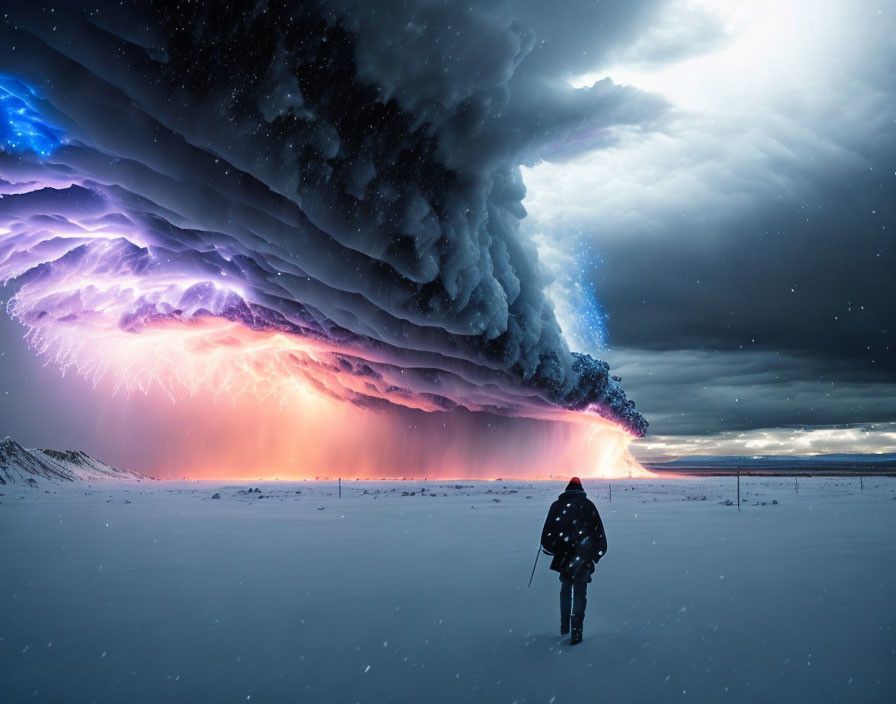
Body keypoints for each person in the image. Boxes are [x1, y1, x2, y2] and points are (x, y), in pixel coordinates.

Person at [540, 477, 607, 645]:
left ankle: (565, 628)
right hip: (583, 557)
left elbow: (547, 534)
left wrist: (555, 549)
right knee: (580, 592)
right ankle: (577, 630)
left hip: (565, 557)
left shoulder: (557, 506)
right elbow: (599, 534)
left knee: (565, 589)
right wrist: (595, 555)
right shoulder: (589, 506)